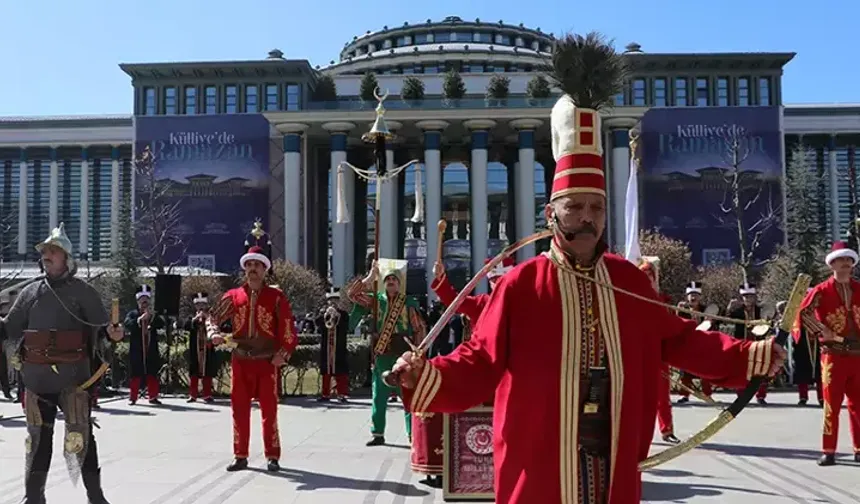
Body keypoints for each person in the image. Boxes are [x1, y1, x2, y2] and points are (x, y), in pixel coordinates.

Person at [388, 36, 787, 503]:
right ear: (550, 215)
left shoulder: (629, 281)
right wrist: (426, 376)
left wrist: (746, 357)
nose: (587, 218)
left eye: (595, 208)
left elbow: (677, 340)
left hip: (613, 461)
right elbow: (480, 360)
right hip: (539, 465)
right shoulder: (520, 285)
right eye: (574, 206)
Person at [0, 223, 124, 503]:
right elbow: (9, 328)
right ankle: (33, 497)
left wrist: (112, 334)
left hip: (74, 379)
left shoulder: (83, 292)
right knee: (36, 442)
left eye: (53, 251)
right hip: (36, 380)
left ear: (67, 259)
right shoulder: (30, 292)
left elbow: (102, 330)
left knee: (82, 439)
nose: (46, 255)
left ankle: (96, 496)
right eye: (44, 251)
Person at [207, 229, 297, 472]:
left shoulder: (276, 297)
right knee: (239, 409)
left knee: (269, 410)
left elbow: (288, 328)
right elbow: (212, 317)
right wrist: (213, 333)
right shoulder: (233, 296)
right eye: (249, 265)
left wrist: (284, 354)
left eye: (258, 264)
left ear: (265, 269)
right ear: (244, 269)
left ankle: (272, 455)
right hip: (240, 360)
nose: (253, 269)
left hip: (267, 362)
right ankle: (240, 454)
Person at [346, 258, 425, 446]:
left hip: (403, 353)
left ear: (400, 283)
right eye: (387, 279)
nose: (390, 282)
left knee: (407, 393)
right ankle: (378, 433)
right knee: (379, 393)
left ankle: (412, 435)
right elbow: (353, 294)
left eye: (394, 280)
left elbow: (418, 327)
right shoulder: (376, 301)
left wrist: (419, 351)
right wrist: (370, 276)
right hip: (382, 352)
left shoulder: (408, 303)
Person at [795, 241, 860, 466]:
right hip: (832, 356)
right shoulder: (821, 291)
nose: (846, 264)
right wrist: (823, 330)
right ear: (832, 263)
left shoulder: (859, 288)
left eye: (849, 260)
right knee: (831, 404)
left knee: (858, 405)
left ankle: (859, 448)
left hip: (858, 355)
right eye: (841, 260)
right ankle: (829, 450)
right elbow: (802, 314)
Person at [638, 259, 680, 445]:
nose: (648, 279)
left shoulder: (663, 301)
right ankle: (636, 433)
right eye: (644, 276)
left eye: (650, 276)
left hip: (659, 354)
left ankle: (667, 430)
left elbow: (670, 326)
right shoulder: (632, 299)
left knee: (662, 395)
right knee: (637, 397)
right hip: (638, 354)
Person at [728, 282, 770, 405]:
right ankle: (741, 395)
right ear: (742, 298)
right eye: (745, 297)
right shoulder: (738, 311)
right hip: (742, 344)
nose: (748, 299)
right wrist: (729, 308)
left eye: (750, 296)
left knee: (760, 370)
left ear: (754, 297)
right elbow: (725, 318)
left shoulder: (760, 310)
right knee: (741, 370)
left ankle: (760, 396)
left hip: (758, 343)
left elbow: (769, 321)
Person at [123, 284, 164, 405]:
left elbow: (161, 324)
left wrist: (151, 317)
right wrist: (139, 320)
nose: (144, 302)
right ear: (138, 300)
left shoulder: (154, 314)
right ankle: (133, 397)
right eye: (142, 300)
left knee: (152, 372)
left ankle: (153, 396)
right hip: (137, 348)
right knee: (135, 373)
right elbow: (127, 324)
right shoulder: (132, 314)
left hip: (151, 348)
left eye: (146, 300)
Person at [676, 281, 716, 403]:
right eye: (691, 295)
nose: (693, 297)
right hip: (687, 344)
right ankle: (685, 395)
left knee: (705, 371)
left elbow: (713, 324)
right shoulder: (682, 309)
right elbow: (677, 323)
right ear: (687, 296)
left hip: (703, 344)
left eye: (696, 295)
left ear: (700, 296)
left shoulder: (706, 310)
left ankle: (707, 395)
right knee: (685, 372)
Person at [183, 292, 218, 403]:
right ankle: (193, 395)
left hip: (207, 348)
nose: (201, 307)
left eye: (203, 304)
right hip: (195, 348)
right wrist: (195, 319)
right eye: (198, 305)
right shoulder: (191, 316)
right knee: (194, 371)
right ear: (195, 306)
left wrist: (208, 319)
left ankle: (207, 394)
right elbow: (185, 326)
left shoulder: (211, 316)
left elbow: (217, 327)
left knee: (207, 371)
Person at [787, 295, 822, 407]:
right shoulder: (798, 313)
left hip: (818, 345)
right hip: (802, 346)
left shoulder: (819, 311)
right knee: (802, 372)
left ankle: (822, 398)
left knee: (820, 373)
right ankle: (803, 397)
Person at [317, 288, 350, 402]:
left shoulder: (344, 314)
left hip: (339, 346)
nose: (333, 303)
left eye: (335, 300)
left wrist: (337, 317)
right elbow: (319, 326)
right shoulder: (323, 313)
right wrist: (324, 315)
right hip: (326, 347)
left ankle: (342, 394)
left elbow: (346, 328)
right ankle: (325, 394)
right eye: (330, 300)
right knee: (326, 371)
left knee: (340, 371)